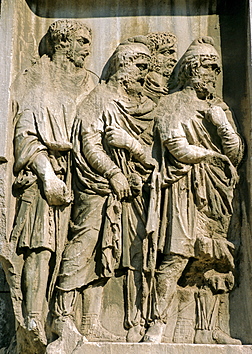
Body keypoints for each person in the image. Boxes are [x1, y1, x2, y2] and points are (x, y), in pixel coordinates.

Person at [48, 41, 159, 351]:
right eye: (140, 67)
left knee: (105, 254)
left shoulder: (138, 105)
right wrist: (113, 172)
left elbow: (148, 154)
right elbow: (90, 144)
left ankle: (90, 323)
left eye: (147, 68)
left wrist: (131, 166)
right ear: (123, 66)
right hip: (96, 187)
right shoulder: (99, 100)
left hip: (124, 192)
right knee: (85, 245)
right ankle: (61, 315)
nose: (144, 74)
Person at [143, 36, 244, 344]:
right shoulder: (172, 103)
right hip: (183, 187)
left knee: (214, 261)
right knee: (177, 256)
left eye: (216, 68)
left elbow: (237, 153)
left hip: (217, 189)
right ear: (192, 68)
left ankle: (207, 330)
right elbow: (174, 144)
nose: (214, 74)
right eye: (209, 67)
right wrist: (209, 154)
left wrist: (223, 126)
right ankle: (156, 324)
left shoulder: (218, 107)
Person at [11, 19, 96, 346]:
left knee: (77, 247)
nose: (88, 50)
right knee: (41, 245)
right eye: (83, 42)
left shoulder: (88, 84)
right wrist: (47, 176)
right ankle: (33, 317)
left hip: (80, 174)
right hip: (44, 174)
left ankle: (67, 317)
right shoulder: (37, 81)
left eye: (89, 43)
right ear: (63, 42)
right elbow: (26, 137)